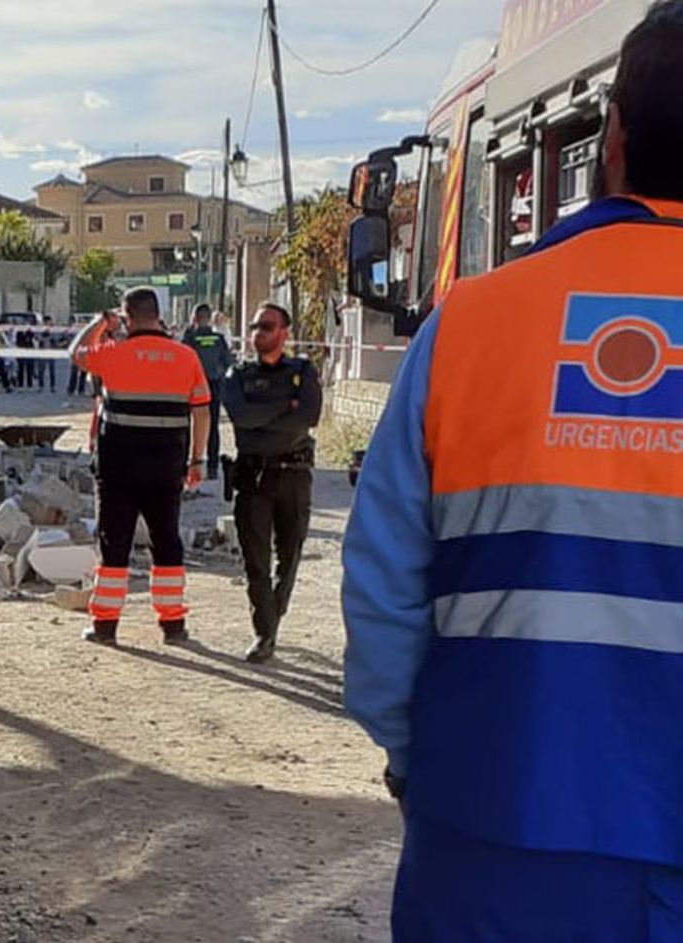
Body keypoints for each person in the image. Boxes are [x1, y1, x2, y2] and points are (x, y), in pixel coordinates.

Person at [344, 6, 683, 938]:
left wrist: (422, 756)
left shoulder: (472, 324)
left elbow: (381, 585)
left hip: (503, 817)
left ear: (611, 139)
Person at [70, 287, 210, 647]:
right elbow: (201, 410)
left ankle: (105, 625)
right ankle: (173, 624)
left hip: (118, 470)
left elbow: (75, 354)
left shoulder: (113, 352)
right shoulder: (185, 356)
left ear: (127, 317)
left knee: (114, 543)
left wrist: (100, 324)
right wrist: (197, 459)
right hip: (166, 468)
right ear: (158, 314)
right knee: (166, 541)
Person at [221, 303, 321, 664]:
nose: (258, 332)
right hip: (253, 476)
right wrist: (285, 407)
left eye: (266, 326)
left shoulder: (302, 371)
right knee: (255, 559)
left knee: (290, 553)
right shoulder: (238, 374)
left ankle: (273, 614)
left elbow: (308, 417)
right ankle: (264, 632)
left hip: (293, 474)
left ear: (285, 333)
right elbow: (242, 417)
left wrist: (269, 416)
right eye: (254, 326)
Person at [183, 304, 235, 483]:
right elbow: (228, 362)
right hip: (213, 385)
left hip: (192, 386)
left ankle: (187, 462)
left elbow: (183, 359)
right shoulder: (218, 339)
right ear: (209, 318)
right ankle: (212, 466)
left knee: (188, 425)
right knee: (212, 426)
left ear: (195, 318)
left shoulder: (190, 338)